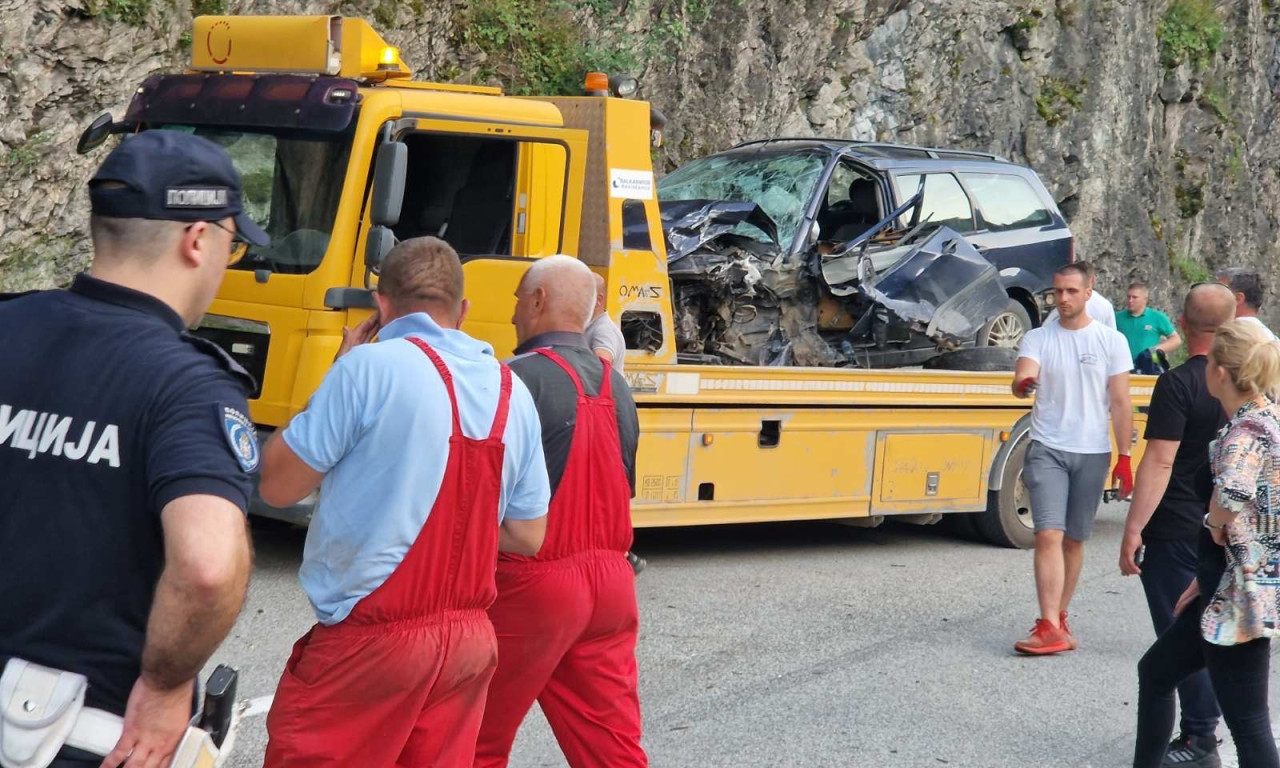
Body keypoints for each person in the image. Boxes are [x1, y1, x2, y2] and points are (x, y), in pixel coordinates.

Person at [0, 130, 264, 768]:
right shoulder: (187, 384)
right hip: (79, 737)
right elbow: (207, 567)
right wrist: (167, 684)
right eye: (232, 245)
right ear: (197, 239)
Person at [258, 237, 550, 768]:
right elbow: (528, 536)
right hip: (466, 647)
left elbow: (277, 485)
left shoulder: (366, 369)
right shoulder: (512, 389)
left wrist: (335, 372)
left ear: (381, 304)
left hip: (369, 646)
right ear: (463, 310)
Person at [474, 255, 646, 768]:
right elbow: (623, 485)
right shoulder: (617, 385)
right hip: (611, 587)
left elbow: (480, 491)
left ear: (538, 300)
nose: (512, 315)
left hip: (534, 583)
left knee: (473, 737)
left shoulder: (513, 379)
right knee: (611, 746)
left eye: (516, 301)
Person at [1132, 320, 1280, 768]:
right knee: (1156, 672)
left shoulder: (1246, 431)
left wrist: (1214, 522)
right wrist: (1207, 571)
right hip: (1228, 584)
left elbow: (1232, 493)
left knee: (1249, 725)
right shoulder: (1267, 417)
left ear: (1218, 372)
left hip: (1240, 595)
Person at [1119, 283, 1236, 768]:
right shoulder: (1249, 386)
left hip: (1175, 526)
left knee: (1178, 639)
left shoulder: (1177, 383)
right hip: (1224, 526)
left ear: (1182, 326)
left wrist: (1133, 528)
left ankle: (1199, 737)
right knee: (1210, 631)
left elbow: (1160, 461)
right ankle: (1206, 733)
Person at [1011, 262, 1133, 655]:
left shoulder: (1111, 341)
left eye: (1071, 291)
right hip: (1047, 447)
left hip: (1092, 451)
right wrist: (1023, 384)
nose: (1062, 298)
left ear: (1088, 291)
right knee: (1048, 533)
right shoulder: (1038, 337)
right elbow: (1023, 374)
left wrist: (1125, 457)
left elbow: (1120, 401)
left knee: (1075, 540)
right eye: (1057, 292)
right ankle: (1047, 624)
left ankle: (1059, 617)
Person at [1116, 282, 1182, 374]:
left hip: (1149, 366)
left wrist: (1154, 350)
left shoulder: (1157, 317)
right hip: (1122, 368)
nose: (1130, 300)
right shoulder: (1117, 317)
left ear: (1145, 299)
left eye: (1134, 297)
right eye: (1128, 297)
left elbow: (1176, 340)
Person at [1045, 261, 1118, 330]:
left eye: (1071, 290)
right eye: (1059, 291)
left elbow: (1047, 324)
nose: (1064, 298)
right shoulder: (1105, 305)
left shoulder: (1065, 303)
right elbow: (1111, 330)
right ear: (1092, 279)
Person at [1217, 269, 1277, 341]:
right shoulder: (1268, 337)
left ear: (1237, 299)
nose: (1212, 297)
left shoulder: (1232, 337)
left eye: (1219, 292)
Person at [586, 272, 627, 372]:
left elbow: (600, 368)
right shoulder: (591, 326)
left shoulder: (604, 331)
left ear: (598, 300)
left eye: (581, 295)